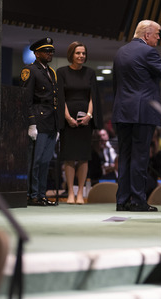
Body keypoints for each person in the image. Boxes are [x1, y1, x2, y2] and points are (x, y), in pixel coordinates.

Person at [112, 19, 161, 212]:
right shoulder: (148, 51)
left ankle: (122, 201)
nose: (158, 37)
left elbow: (116, 83)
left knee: (124, 157)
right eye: (157, 34)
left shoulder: (121, 51)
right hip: (142, 113)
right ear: (147, 35)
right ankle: (138, 201)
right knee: (140, 158)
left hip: (122, 111)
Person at [57, 41, 103, 204]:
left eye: (83, 53)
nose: (81, 56)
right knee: (69, 157)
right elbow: (60, 98)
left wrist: (89, 115)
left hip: (85, 120)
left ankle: (80, 194)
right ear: (71, 54)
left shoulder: (90, 72)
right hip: (67, 119)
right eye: (78, 53)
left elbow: (93, 96)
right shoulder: (61, 72)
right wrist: (68, 117)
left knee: (84, 157)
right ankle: (70, 192)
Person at [20, 37, 59, 207]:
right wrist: (31, 123)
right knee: (35, 161)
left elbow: (54, 99)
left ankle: (42, 194)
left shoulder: (51, 72)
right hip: (38, 119)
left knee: (45, 161)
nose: (49, 53)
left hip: (51, 120)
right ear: (36, 53)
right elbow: (26, 99)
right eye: (46, 51)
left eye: (51, 51)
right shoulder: (30, 70)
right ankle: (33, 194)